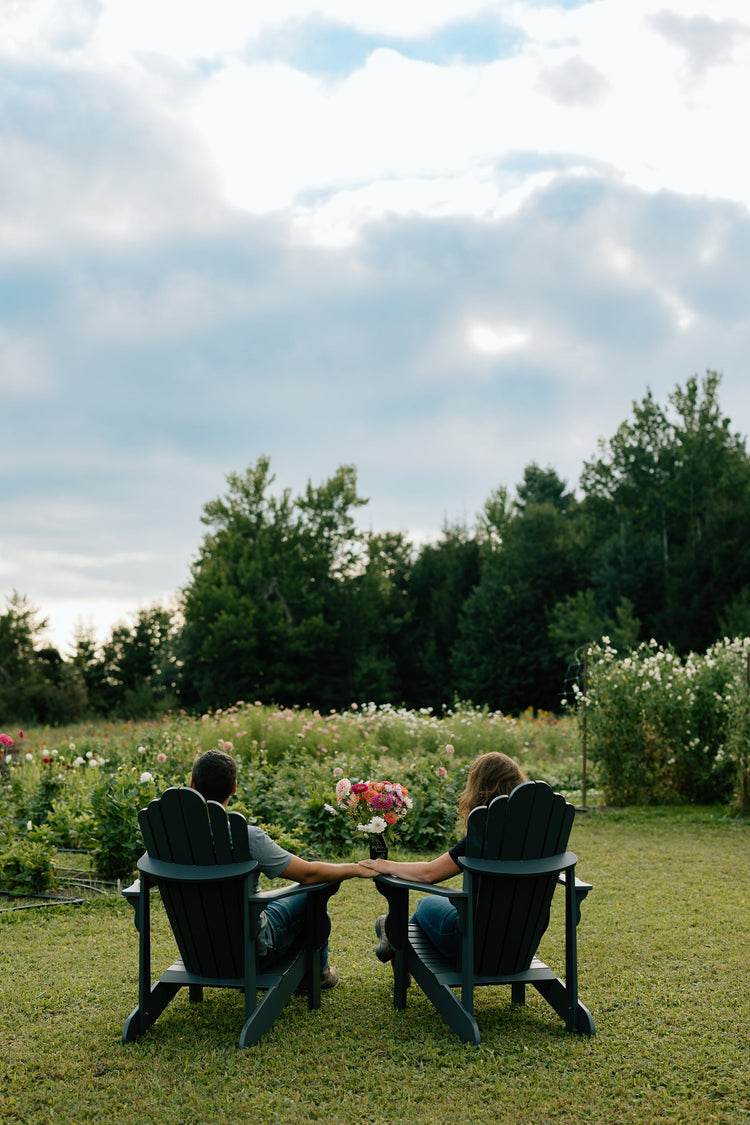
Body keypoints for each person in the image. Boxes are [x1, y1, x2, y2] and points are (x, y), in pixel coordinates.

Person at [190, 748, 375, 990]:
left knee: (274, 905)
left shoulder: (168, 837)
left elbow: (144, 876)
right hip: (251, 953)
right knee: (314, 891)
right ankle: (318, 974)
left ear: (192, 784)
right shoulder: (247, 838)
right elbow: (308, 874)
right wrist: (356, 868)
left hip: (196, 951)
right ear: (234, 788)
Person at [360, 751, 527, 962]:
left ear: (480, 788)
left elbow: (428, 874)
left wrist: (384, 864)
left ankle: (392, 937)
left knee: (426, 904)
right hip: (520, 942)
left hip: (471, 943)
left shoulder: (485, 832)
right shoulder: (540, 834)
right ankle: (390, 936)